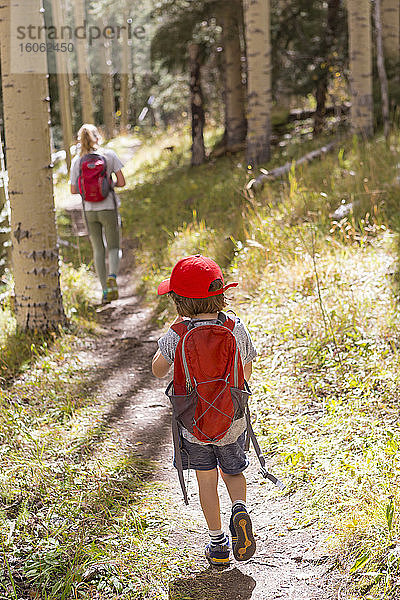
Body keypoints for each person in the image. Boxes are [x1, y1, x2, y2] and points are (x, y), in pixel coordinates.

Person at [152, 254, 257, 566]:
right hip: (231, 420)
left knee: (206, 481)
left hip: (194, 424)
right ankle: (239, 507)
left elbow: (158, 370)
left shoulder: (177, 333)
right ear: (220, 293)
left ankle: (218, 544)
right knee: (233, 472)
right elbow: (246, 372)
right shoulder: (235, 327)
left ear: (179, 301)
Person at [70, 124, 126, 304]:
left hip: (89, 211)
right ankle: (113, 276)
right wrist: (109, 185)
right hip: (108, 207)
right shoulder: (109, 155)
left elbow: (73, 190)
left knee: (98, 249)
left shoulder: (77, 161)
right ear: (97, 137)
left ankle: (104, 291)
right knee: (114, 246)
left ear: (80, 140)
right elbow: (122, 182)